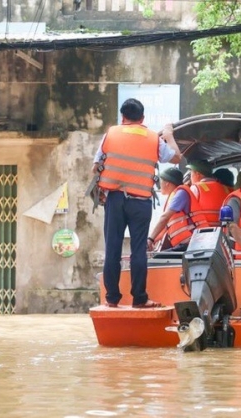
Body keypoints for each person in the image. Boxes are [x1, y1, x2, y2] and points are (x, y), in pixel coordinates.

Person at [92, 98, 181, 308]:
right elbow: (176, 158)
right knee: (138, 250)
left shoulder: (110, 134)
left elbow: (95, 168)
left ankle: (112, 299)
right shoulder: (153, 138)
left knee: (112, 248)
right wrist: (168, 136)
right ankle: (139, 299)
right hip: (140, 201)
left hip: (114, 200)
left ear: (123, 117)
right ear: (142, 118)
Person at [148, 167, 208, 252]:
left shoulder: (181, 193)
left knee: (157, 260)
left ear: (167, 183)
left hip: (193, 244)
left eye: (160, 181)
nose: (158, 185)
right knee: (158, 257)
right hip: (189, 245)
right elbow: (165, 227)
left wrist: (150, 239)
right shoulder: (174, 195)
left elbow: (164, 218)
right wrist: (152, 241)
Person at [187, 159, 231, 227]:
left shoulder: (195, 188)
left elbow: (186, 212)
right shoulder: (225, 188)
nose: (190, 177)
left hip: (202, 231)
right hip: (222, 231)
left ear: (197, 174)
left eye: (191, 174)